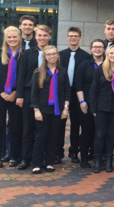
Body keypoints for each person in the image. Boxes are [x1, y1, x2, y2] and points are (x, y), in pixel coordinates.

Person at [16, 24, 52, 170]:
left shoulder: (53, 54)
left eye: (45, 35)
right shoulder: (27, 54)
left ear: (49, 36)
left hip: (47, 95)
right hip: (28, 93)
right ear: (35, 36)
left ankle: (43, 157)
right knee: (28, 127)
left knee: (44, 128)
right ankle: (26, 157)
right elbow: (21, 75)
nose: (42, 38)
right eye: (39, 35)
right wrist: (19, 95)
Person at [30, 45, 70, 174]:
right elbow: (34, 93)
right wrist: (36, 110)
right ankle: (37, 163)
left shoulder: (62, 71)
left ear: (57, 55)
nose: (52, 56)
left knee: (54, 136)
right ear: (45, 57)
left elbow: (67, 90)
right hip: (43, 109)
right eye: (49, 54)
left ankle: (49, 162)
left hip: (58, 110)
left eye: (54, 54)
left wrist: (66, 108)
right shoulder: (38, 72)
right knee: (41, 136)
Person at [0, 26, 23, 168]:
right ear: (5, 39)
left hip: (16, 95)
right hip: (0, 96)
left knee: (15, 126)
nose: (12, 39)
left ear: (19, 38)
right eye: (9, 37)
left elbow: (24, 76)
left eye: (14, 37)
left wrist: (16, 93)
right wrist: (1, 92)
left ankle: (13, 156)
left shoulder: (23, 55)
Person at [90, 45, 114, 173]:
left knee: (111, 135)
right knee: (100, 134)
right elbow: (93, 89)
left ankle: (109, 161)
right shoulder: (101, 69)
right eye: (111, 53)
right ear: (107, 55)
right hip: (101, 107)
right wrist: (93, 107)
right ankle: (97, 160)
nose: (113, 56)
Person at [58, 27, 90, 164]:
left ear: (80, 38)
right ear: (67, 37)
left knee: (77, 124)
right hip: (62, 94)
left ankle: (74, 151)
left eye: (76, 36)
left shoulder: (85, 56)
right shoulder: (60, 55)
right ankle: (58, 152)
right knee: (60, 124)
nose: (73, 38)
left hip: (78, 94)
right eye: (70, 36)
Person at [74, 39, 105, 168]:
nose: (97, 49)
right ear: (91, 49)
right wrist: (82, 102)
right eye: (95, 47)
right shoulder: (84, 65)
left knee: (101, 131)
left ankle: (98, 156)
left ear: (104, 49)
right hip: (87, 102)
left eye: (100, 47)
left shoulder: (109, 65)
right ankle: (84, 158)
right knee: (87, 130)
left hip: (103, 104)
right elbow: (78, 85)